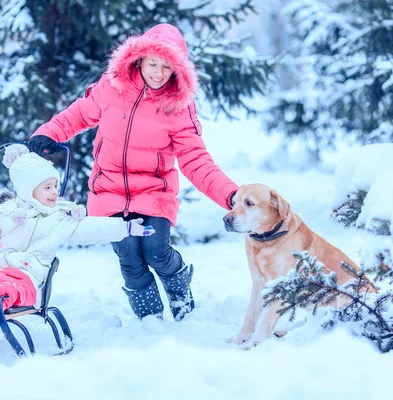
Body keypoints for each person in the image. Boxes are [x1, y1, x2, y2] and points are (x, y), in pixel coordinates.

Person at [28, 24, 238, 321]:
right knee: (129, 257)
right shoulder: (112, 86)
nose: (159, 72)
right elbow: (78, 114)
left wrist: (230, 194)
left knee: (156, 251)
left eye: (167, 66)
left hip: (153, 193)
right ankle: (150, 320)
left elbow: (195, 159)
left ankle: (179, 290)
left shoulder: (178, 107)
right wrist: (48, 133)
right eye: (153, 63)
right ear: (139, 59)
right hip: (109, 191)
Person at [0, 144, 154, 328]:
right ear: (27, 189)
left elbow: (90, 228)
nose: (53, 192)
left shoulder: (60, 217)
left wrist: (124, 228)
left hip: (27, 273)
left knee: (7, 284)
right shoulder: (6, 211)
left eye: (55, 187)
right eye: (47, 187)